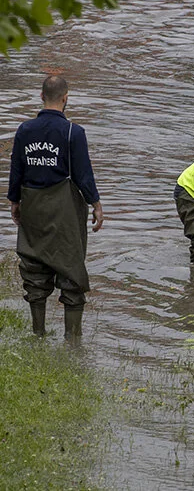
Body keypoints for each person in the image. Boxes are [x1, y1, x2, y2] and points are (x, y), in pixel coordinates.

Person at [7, 76, 104, 339]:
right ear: (65, 98)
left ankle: (38, 333)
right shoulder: (75, 132)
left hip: (33, 207)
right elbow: (83, 176)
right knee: (71, 268)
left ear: (41, 96)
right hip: (66, 213)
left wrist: (15, 201)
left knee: (34, 268)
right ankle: (73, 340)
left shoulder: (24, 130)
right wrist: (96, 204)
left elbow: (16, 170)